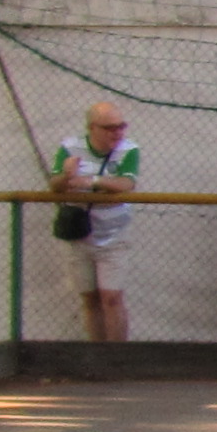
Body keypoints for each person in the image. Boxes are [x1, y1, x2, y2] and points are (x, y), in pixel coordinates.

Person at [49, 101, 142, 344]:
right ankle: (96, 351)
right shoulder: (70, 147)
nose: (117, 133)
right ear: (92, 128)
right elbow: (55, 184)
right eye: (110, 128)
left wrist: (91, 181)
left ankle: (117, 354)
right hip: (80, 234)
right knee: (90, 298)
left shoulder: (129, 149)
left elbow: (126, 184)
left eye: (121, 126)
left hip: (114, 235)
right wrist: (66, 176)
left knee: (112, 297)